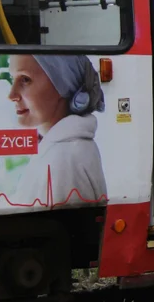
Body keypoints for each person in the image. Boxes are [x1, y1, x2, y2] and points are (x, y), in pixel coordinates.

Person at [7, 54, 107, 207]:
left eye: (25, 80)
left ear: (62, 86)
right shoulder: (62, 148)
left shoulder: (64, 158)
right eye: (11, 79)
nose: (11, 95)